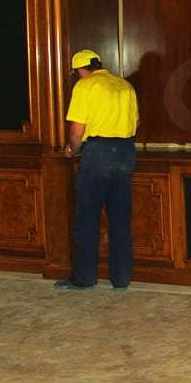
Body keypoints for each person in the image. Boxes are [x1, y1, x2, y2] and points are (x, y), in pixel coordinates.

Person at [55, 49, 139, 291]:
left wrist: (73, 149)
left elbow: (76, 131)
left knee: (87, 217)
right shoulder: (125, 85)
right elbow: (136, 122)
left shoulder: (85, 85)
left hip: (98, 153)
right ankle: (121, 278)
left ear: (80, 71)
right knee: (120, 218)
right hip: (125, 151)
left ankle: (84, 277)